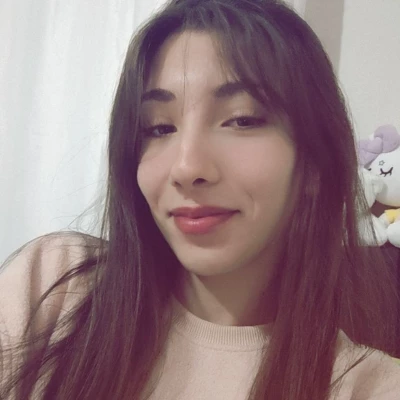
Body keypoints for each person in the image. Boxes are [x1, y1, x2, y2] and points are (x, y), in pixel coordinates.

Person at [0, 0, 399, 399]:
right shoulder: (56, 286)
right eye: (159, 127)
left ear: (314, 162)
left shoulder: (369, 386)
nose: (186, 167)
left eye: (242, 120)